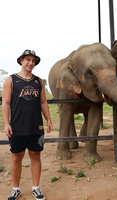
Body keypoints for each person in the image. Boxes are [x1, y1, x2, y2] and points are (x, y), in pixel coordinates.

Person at [2, 50, 53, 200]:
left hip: (36, 126)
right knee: (16, 157)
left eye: (33, 61)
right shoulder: (11, 80)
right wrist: (6, 123)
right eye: (28, 60)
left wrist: (48, 119)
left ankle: (36, 188)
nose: (31, 63)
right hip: (17, 126)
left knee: (35, 156)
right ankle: (16, 189)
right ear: (21, 60)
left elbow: (43, 102)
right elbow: (5, 103)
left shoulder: (38, 81)